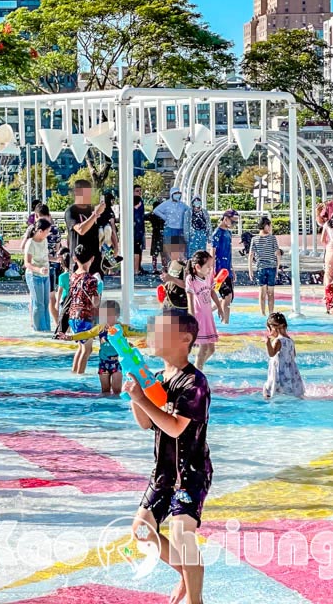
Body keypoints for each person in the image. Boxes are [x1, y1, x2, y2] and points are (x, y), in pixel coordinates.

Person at [126, 309, 211, 604]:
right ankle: (186, 576)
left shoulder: (195, 383)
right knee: (141, 531)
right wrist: (137, 393)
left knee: (180, 533)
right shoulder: (159, 380)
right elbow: (146, 423)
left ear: (184, 339)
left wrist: (141, 399)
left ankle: (195, 599)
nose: (152, 335)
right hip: (163, 473)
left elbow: (175, 428)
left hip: (190, 473)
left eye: (161, 331)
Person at [67, 300, 128, 395]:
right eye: (105, 315)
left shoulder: (122, 328)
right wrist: (71, 337)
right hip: (103, 363)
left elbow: (137, 332)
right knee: (105, 390)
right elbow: (87, 333)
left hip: (117, 363)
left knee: (117, 390)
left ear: (117, 315)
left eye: (110, 315)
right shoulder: (100, 328)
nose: (107, 318)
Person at [185, 251, 224, 369]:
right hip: (199, 317)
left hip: (208, 316)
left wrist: (219, 307)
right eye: (208, 266)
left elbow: (212, 291)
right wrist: (192, 319)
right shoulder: (191, 279)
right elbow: (190, 300)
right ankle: (197, 370)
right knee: (204, 347)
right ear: (197, 267)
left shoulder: (208, 276)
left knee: (211, 349)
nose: (210, 269)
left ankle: (197, 367)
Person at [66, 244, 101, 375]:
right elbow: (95, 302)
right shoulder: (91, 280)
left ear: (75, 258)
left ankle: (74, 372)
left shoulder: (73, 276)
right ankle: (80, 376)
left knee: (80, 348)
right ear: (92, 259)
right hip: (84, 317)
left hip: (73, 316)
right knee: (87, 350)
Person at [64, 180, 104, 277]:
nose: (89, 196)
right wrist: (95, 214)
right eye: (86, 193)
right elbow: (81, 230)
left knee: (96, 290)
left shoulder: (91, 209)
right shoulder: (71, 211)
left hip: (94, 260)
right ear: (77, 192)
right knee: (78, 290)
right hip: (78, 261)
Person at [263, 312, 304, 399]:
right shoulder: (290, 340)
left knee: (267, 391)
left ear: (274, 328)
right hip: (290, 372)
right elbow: (294, 355)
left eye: (269, 329)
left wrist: (267, 343)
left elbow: (271, 353)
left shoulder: (278, 341)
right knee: (290, 393)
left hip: (279, 372)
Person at [24, 219, 53, 332]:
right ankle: (39, 330)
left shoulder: (44, 240)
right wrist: (39, 269)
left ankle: (47, 329)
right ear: (40, 231)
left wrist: (56, 259)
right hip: (34, 275)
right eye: (47, 231)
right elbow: (27, 263)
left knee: (46, 304)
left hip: (45, 275)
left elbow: (45, 257)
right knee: (38, 304)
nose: (49, 233)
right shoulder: (30, 243)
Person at [209, 210, 238, 324]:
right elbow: (213, 252)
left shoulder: (228, 233)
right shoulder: (217, 233)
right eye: (233, 222)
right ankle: (225, 322)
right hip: (219, 270)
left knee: (229, 298)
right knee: (227, 296)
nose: (234, 224)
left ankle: (207, 312)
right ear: (225, 218)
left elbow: (229, 252)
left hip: (227, 270)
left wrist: (232, 269)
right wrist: (212, 269)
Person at [249, 217, 281, 317]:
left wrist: (250, 270)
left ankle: (262, 313)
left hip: (260, 268)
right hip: (271, 268)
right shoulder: (272, 238)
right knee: (271, 293)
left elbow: (251, 255)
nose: (271, 227)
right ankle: (271, 314)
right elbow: (278, 254)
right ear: (266, 226)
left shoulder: (254, 239)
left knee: (262, 292)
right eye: (270, 225)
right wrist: (277, 268)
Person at [148, 199, 167, 272]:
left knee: (154, 253)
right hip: (162, 234)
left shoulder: (152, 215)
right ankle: (164, 267)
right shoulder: (162, 215)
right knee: (163, 253)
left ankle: (154, 268)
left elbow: (146, 216)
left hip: (155, 234)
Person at [133, 185, 147, 275]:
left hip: (140, 229)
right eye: (137, 191)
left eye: (140, 191)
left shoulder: (140, 201)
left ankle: (138, 267)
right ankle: (136, 269)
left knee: (139, 249)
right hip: (135, 230)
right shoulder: (134, 201)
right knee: (136, 250)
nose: (139, 192)